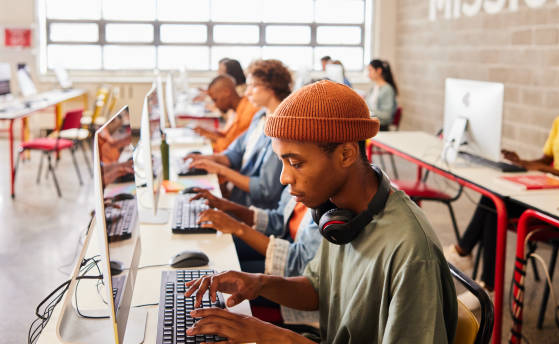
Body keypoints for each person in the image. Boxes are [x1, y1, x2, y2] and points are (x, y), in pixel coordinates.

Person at [183, 80, 457, 343]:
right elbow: (318, 291)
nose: (283, 178)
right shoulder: (339, 214)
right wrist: (259, 283)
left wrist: (273, 336)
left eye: (296, 163)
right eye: (282, 162)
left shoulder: (410, 251)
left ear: (346, 155)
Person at [445, 67, 559, 309]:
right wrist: (525, 162)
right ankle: (485, 282)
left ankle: (466, 256)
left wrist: (541, 168)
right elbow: (546, 160)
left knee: (494, 205)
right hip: (548, 190)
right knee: (494, 201)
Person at [190, 186, 322, 322]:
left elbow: (299, 264)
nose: (283, 179)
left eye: (297, 163)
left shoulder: (328, 214)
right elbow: (278, 220)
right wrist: (227, 206)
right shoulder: (300, 185)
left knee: (225, 281)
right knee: (220, 260)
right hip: (287, 248)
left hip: (296, 278)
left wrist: (239, 228)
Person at [186, 59, 291, 209]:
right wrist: (206, 159)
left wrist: (221, 170)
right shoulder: (260, 116)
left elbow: (265, 189)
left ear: (271, 87)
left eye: (253, 86)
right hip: (238, 198)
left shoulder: (282, 130)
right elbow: (235, 152)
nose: (247, 92)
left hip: (253, 208)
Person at [192, 75, 260, 152]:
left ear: (226, 92)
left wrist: (212, 137)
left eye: (215, 100)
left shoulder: (249, 111)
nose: (215, 105)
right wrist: (211, 133)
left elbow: (232, 148)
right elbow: (229, 136)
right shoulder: (233, 112)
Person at [366, 59, 398, 131]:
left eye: (370, 70)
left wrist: (368, 111)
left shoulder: (387, 90)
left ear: (379, 71)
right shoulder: (374, 87)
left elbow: (386, 116)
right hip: (371, 123)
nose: (368, 74)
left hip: (380, 126)